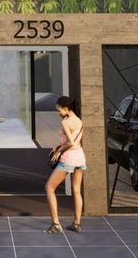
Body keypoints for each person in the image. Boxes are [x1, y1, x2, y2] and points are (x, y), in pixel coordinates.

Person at [44, 95, 86, 234]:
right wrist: (59, 146)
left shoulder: (66, 122)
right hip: (80, 158)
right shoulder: (79, 120)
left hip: (69, 159)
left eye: (59, 110)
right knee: (77, 191)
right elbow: (74, 141)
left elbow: (70, 143)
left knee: (49, 187)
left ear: (66, 108)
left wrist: (58, 151)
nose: (58, 113)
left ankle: (56, 224)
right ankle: (77, 224)